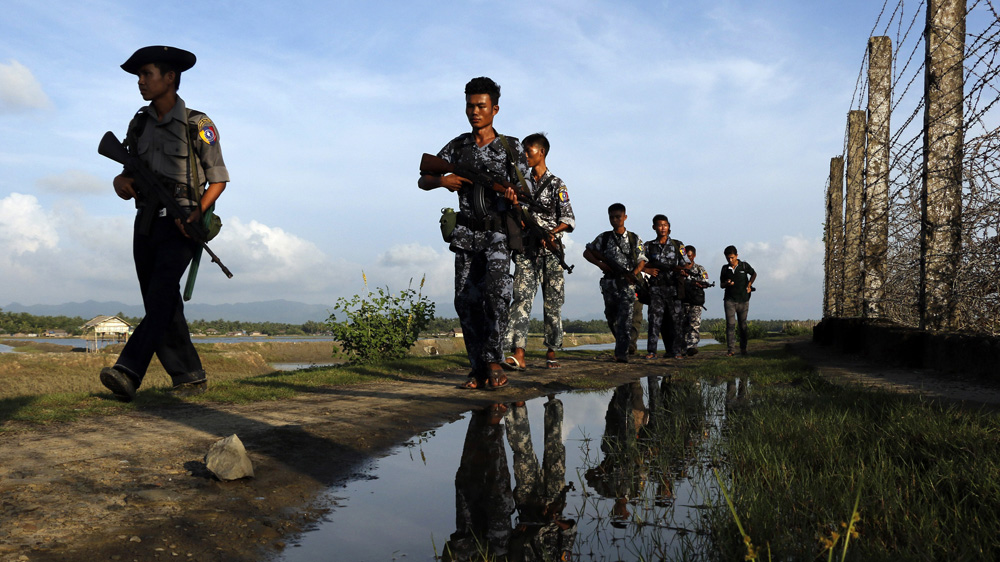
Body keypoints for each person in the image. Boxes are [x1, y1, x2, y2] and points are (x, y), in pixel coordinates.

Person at [99, 46, 229, 402]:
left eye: (147, 75)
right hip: (145, 222)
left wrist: (195, 212)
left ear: (169, 78)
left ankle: (128, 370)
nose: (140, 82)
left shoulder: (197, 124)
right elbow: (127, 175)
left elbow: (218, 179)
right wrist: (119, 183)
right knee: (162, 299)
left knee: (159, 296)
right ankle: (189, 375)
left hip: (183, 221)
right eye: (139, 76)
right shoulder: (138, 122)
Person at [418, 77, 530, 390]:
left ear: (495, 108)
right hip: (466, 234)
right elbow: (424, 178)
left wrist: (513, 196)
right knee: (465, 301)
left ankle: (494, 361)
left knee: (496, 295)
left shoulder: (511, 147)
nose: (475, 111)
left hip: (496, 235)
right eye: (470, 105)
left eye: (481, 106)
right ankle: (478, 368)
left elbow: (526, 189)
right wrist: (443, 181)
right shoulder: (457, 146)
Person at [503, 133, 575, 371]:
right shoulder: (520, 183)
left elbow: (568, 218)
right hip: (526, 250)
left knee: (552, 303)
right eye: (523, 150)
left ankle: (552, 351)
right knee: (521, 298)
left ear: (541, 152)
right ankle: (518, 353)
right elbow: (514, 213)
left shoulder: (557, 184)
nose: (525, 155)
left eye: (529, 151)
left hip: (552, 252)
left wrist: (551, 234)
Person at [583, 203, 646, 363]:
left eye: (618, 217)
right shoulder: (603, 238)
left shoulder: (634, 238)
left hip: (627, 283)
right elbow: (587, 252)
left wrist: (633, 274)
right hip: (610, 283)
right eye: (612, 217)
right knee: (611, 316)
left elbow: (642, 260)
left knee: (626, 317)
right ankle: (622, 346)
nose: (615, 220)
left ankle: (621, 352)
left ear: (625, 217)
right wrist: (601, 264)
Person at [642, 215, 689, 359]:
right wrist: (647, 270)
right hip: (656, 289)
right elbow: (640, 263)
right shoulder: (649, 246)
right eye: (659, 225)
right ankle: (652, 351)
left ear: (669, 226)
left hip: (673, 288)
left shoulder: (677, 245)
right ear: (654, 227)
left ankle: (676, 351)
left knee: (677, 321)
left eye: (665, 225)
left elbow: (687, 262)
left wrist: (682, 270)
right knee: (654, 321)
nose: (662, 228)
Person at [720, 245, 757, 356]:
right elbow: (721, 285)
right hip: (729, 300)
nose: (730, 260)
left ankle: (743, 348)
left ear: (737, 255)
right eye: (728, 258)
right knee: (730, 325)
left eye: (732, 257)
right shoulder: (725, 268)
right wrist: (727, 283)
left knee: (743, 325)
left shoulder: (744, 266)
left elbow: (754, 273)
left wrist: (750, 284)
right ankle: (731, 350)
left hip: (744, 300)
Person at [680, 245, 712, 355]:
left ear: (694, 256)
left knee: (694, 324)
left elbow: (705, 280)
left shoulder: (699, 269)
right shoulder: (679, 268)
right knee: (682, 325)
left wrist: (698, 283)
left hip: (695, 300)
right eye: (686, 256)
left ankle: (692, 346)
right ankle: (682, 348)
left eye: (690, 256)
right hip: (682, 301)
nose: (688, 259)